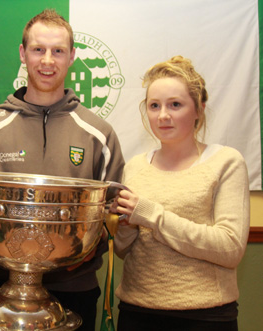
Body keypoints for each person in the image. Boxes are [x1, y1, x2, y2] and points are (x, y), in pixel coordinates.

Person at [0, 9, 124, 331]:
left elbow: (113, 213)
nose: (47, 60)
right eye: (38, 49)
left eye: (58, 51)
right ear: (23, 53)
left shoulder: (99, 134)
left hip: (74, 288)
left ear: (72, 56)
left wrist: (81, 255)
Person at [111, 56, 250, 331]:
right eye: (154, 106)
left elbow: (230, 248)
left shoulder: (226, 162)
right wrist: (126, 226)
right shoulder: (135, 167)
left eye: (175, 104)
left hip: (206, 316)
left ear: (199, 109)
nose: (163, 115)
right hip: (136, 312)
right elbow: (123, 250)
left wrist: (151, 214)